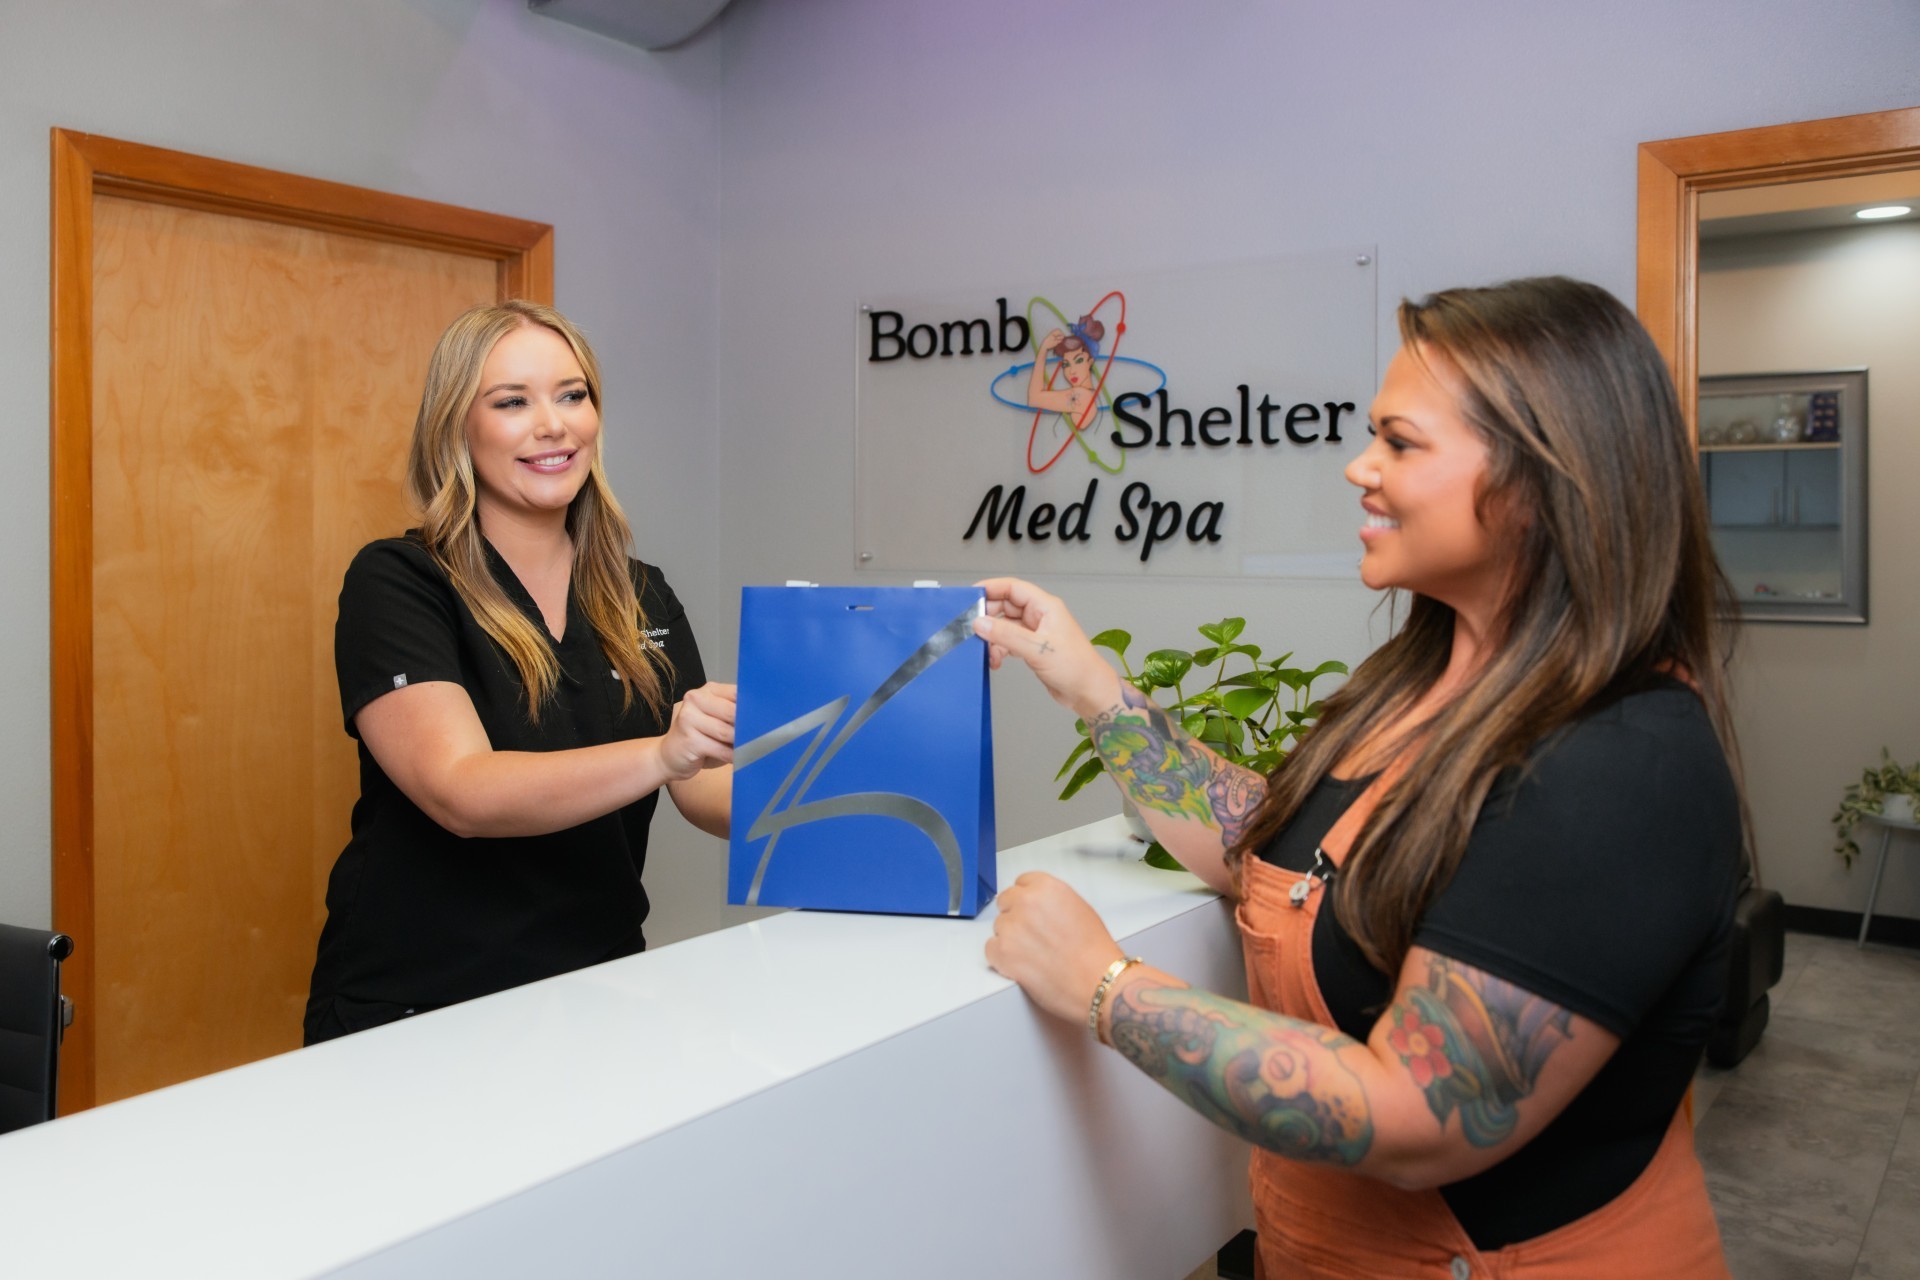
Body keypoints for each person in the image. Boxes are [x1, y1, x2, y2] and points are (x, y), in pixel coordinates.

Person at [976, 276, 1744, 1277]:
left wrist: (1105, 984)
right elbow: (1279, 842)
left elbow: (1423, 1115)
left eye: (1401, 441)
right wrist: (1088, 682)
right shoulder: (1427, 679)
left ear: (1542, 475)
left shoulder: (1624, 761)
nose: (1359, 468)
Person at [305, 300, 734, 1045]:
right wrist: (664, 753)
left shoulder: (641, 593)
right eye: (512, 402)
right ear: (456, 426)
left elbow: (703, 786)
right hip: (422, 1009)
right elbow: (461, 791)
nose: (555, 425)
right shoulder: (401, 582)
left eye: (573, 395)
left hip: (600, 989)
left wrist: (849, 788)